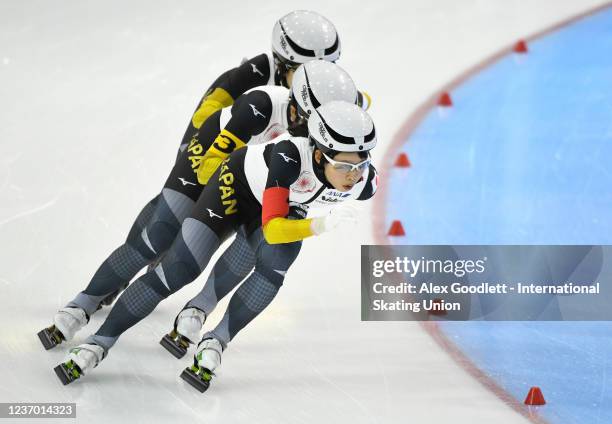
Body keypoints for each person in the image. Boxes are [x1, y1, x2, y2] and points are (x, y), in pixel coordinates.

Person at [38, 58, 365, 351]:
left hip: (256, 176)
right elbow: (212, 165)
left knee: (252, 245)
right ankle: (82, 304)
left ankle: (199, 306)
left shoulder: (330, 124)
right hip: (211, 159)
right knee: (163, 234)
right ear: (296, 110)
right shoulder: (261, 106)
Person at [54, 101, 379, 393]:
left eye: (359, 166)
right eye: (344, 167)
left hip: (282, 207)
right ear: (319, 154)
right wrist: (321, 225)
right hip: (238, 189)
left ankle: (216, 338)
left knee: (276, 263)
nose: (352, 176)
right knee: (181, 267)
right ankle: (99, 342)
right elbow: (275, 228)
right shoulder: (289, 157)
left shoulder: (365, 181)